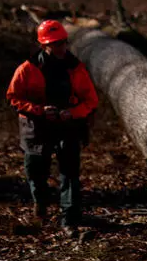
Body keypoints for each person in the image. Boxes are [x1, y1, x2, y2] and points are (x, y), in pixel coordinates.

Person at [6, 20, 98, 237]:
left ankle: (69, 219)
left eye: (63, 42)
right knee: (35, 171)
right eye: (55, 43)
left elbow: (91, 100)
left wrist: (72, 113)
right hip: (36, 126)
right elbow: (13, 97)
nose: (61, 47)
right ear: (43, 45)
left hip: (67, 126)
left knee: (70, 173)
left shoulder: (76, 68)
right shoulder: (27, 69)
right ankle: (40, 203)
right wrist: (38, 110)